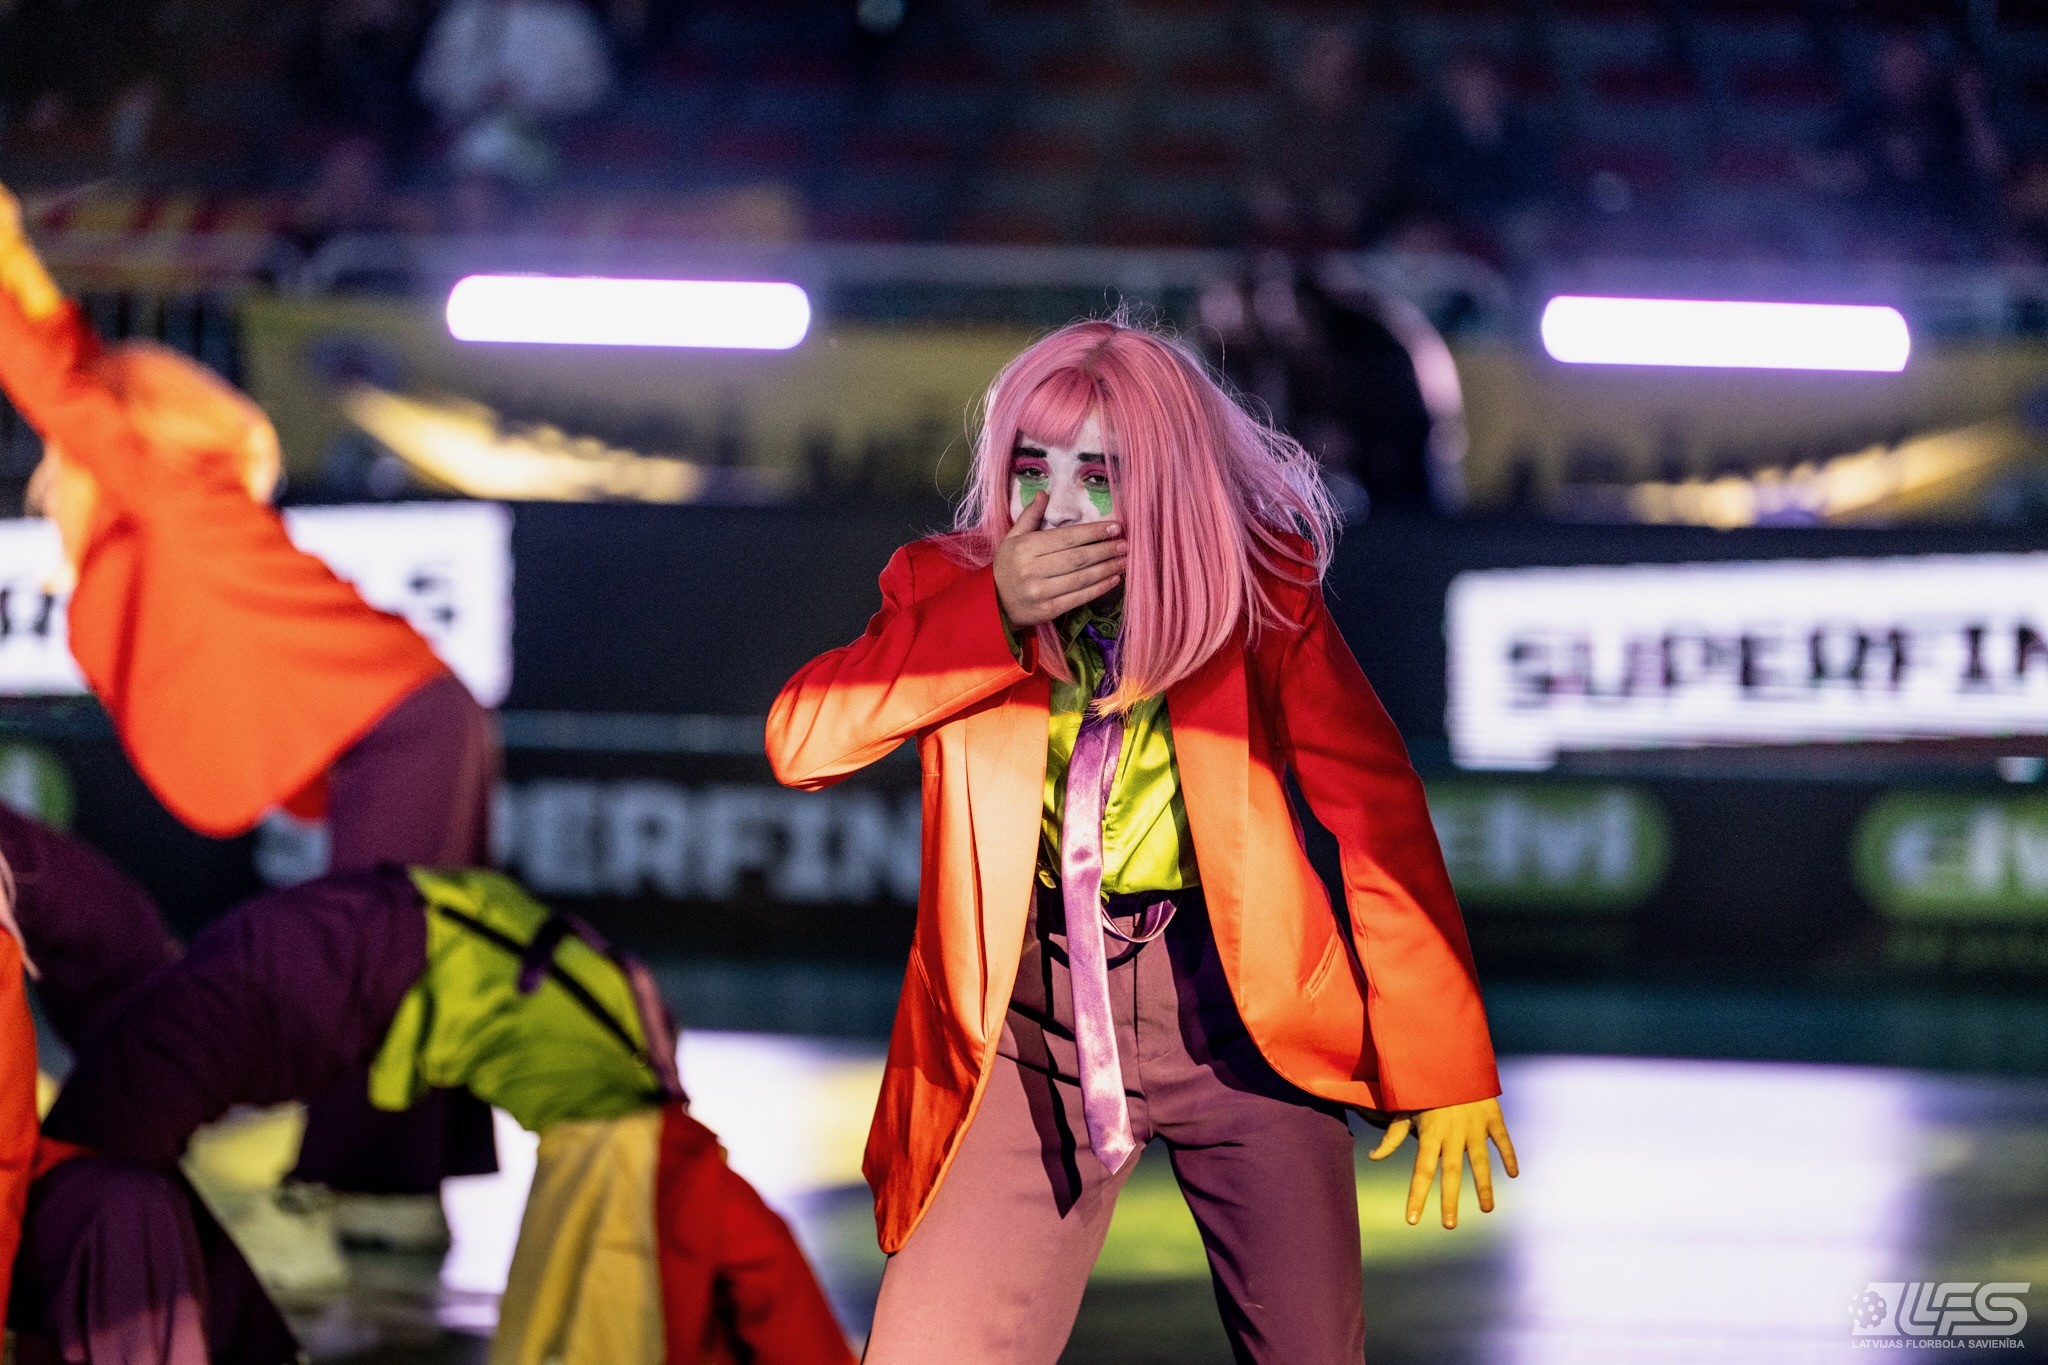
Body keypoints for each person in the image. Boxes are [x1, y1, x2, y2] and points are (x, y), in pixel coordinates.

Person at [767, 317, 1516, 1362]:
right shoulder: (944, 584)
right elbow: (803, 741)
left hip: (1240, 1016)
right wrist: (990, 612)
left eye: (1100, 475)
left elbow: (1373, 812)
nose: (1059, 506)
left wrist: (1444, 1057)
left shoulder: (1260, 588)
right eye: (1031, 468)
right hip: (1026, 1024)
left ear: (1164, 480)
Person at [0, 178, 499, 1222]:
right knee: (411, 947)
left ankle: (374, 1187)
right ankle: (401, 1195)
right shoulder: (176, 510)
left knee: (374, 951)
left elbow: (57, 381)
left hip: (405, 729)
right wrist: (17, 260)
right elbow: (75, 366)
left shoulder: (173, 497)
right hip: (418, 722)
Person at [5, 816, 855, 1365]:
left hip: (352, 944)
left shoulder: (621, 1076)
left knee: (98, 1168)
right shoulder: (642, 1119)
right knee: (100, 1169)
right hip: (351, 954)